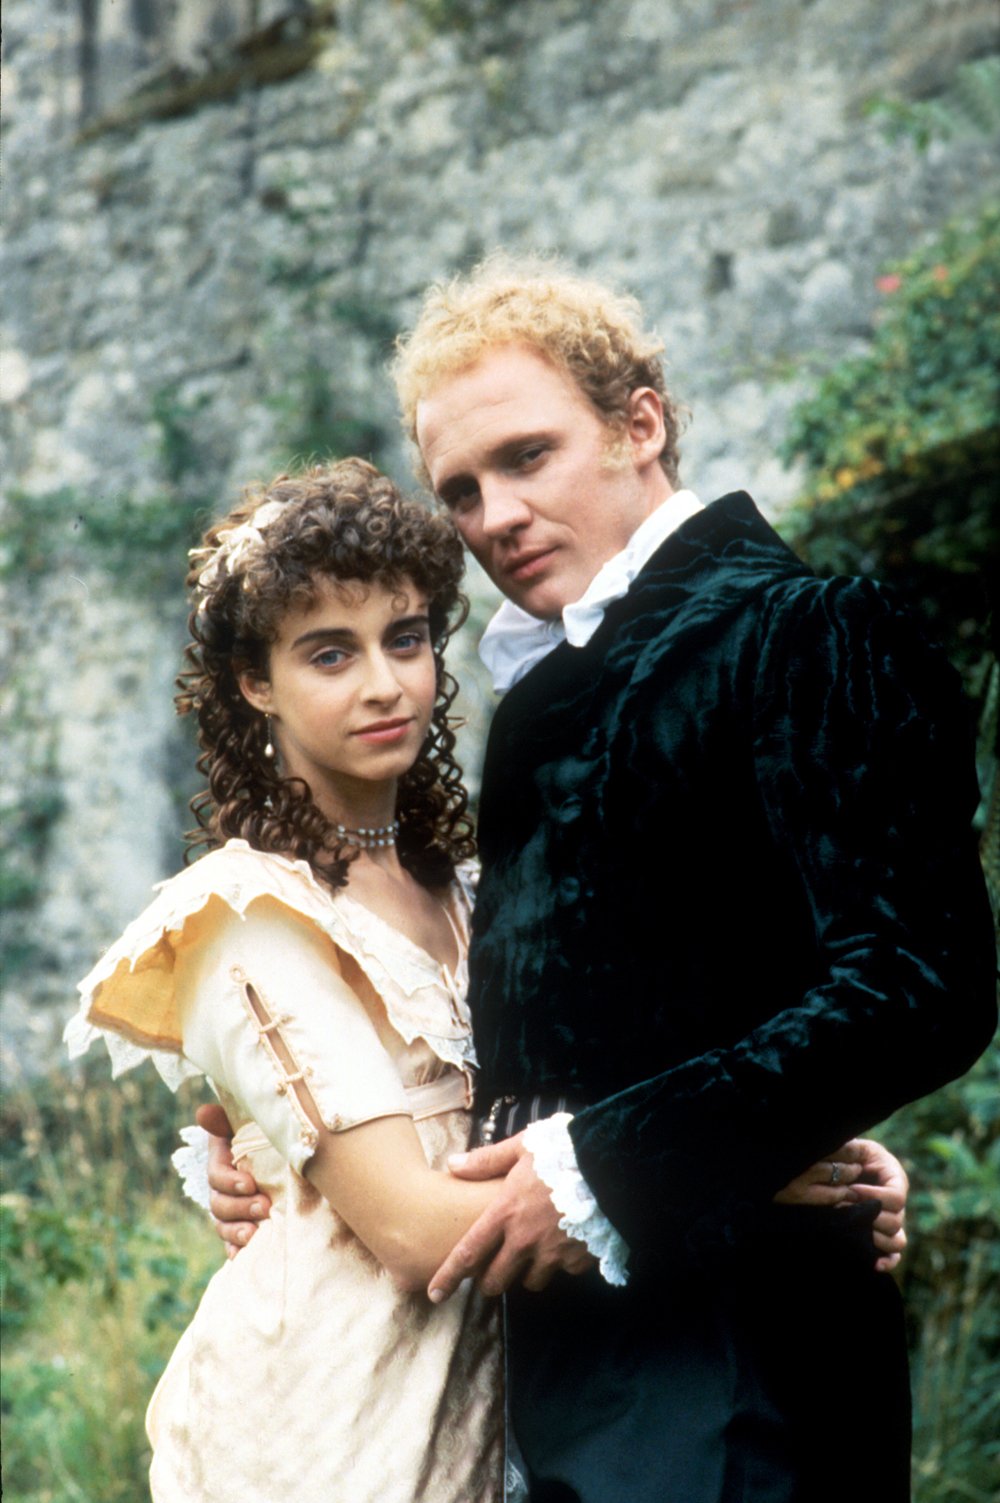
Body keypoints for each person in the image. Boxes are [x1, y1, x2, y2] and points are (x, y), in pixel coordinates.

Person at [203, 257, 995, 1501]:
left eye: (528, 456)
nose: (496, 516)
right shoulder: (546, 698)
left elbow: (917, 981)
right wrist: (282, 1155)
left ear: (640, 424)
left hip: (740, 1376)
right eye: (462, 490)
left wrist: (633, 1167)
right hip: (553, 1377)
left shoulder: (807, 628)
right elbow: (536, 1033)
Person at [65, 460, 509, 1503]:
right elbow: (412, 1229)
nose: (384, 684)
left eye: (405, 638)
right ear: (254, 683)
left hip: (479, 1407)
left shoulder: (466, 886)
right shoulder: (248, 919)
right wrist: (713, 1179)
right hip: (321, 1430)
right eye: (329, 653)